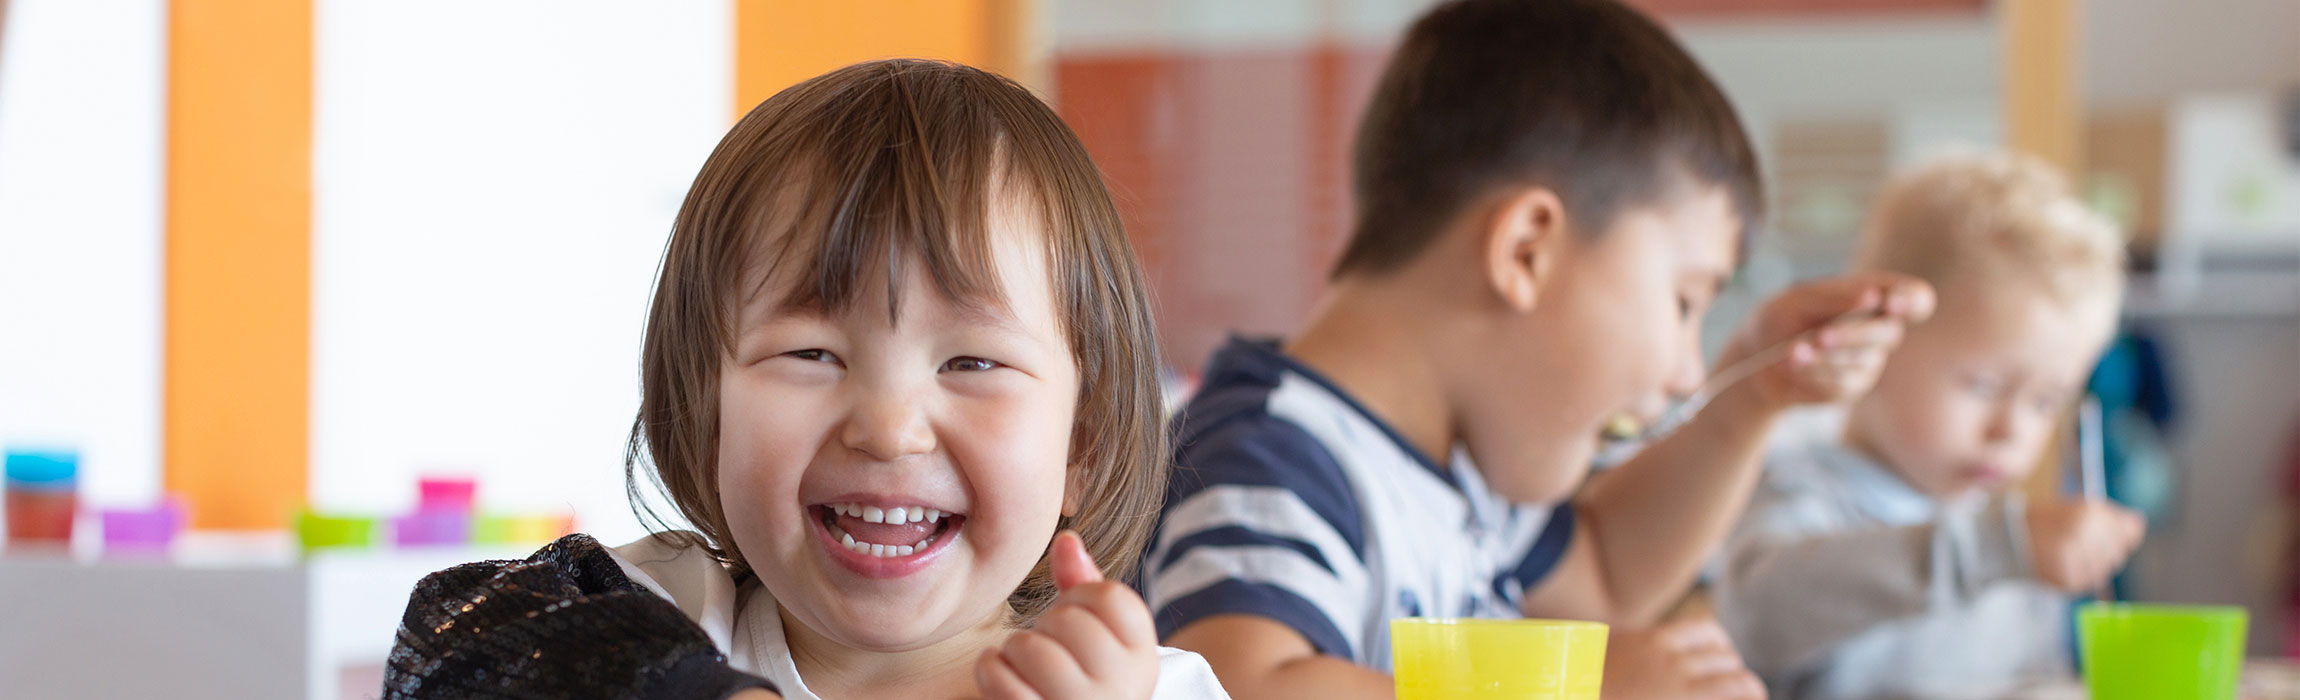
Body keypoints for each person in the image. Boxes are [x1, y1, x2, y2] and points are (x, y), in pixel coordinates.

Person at [1136, 1, 1933, 698]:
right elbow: (1237, 686)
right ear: (1526, 252)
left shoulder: (1460, 466)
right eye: (1686, 301)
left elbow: (1610, 575)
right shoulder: (1268, 456)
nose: (1690, 368)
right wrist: (1577, 693)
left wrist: (1758, 388)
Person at [385, 59, 1231, 700]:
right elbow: (444, 646)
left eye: (972, 362)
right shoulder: (668, 611)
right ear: (703, 409)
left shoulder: (1147, 688)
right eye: (811, 355)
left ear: (1081, 443)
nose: (889, 425)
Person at [1712, 151, 2145, 700]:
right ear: (1878, 341)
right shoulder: (1804, 489)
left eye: (2045, 401)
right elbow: (1757, 617)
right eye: (1984, 386)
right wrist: (1997, 549)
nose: (2011, 429)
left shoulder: (2008, 535)